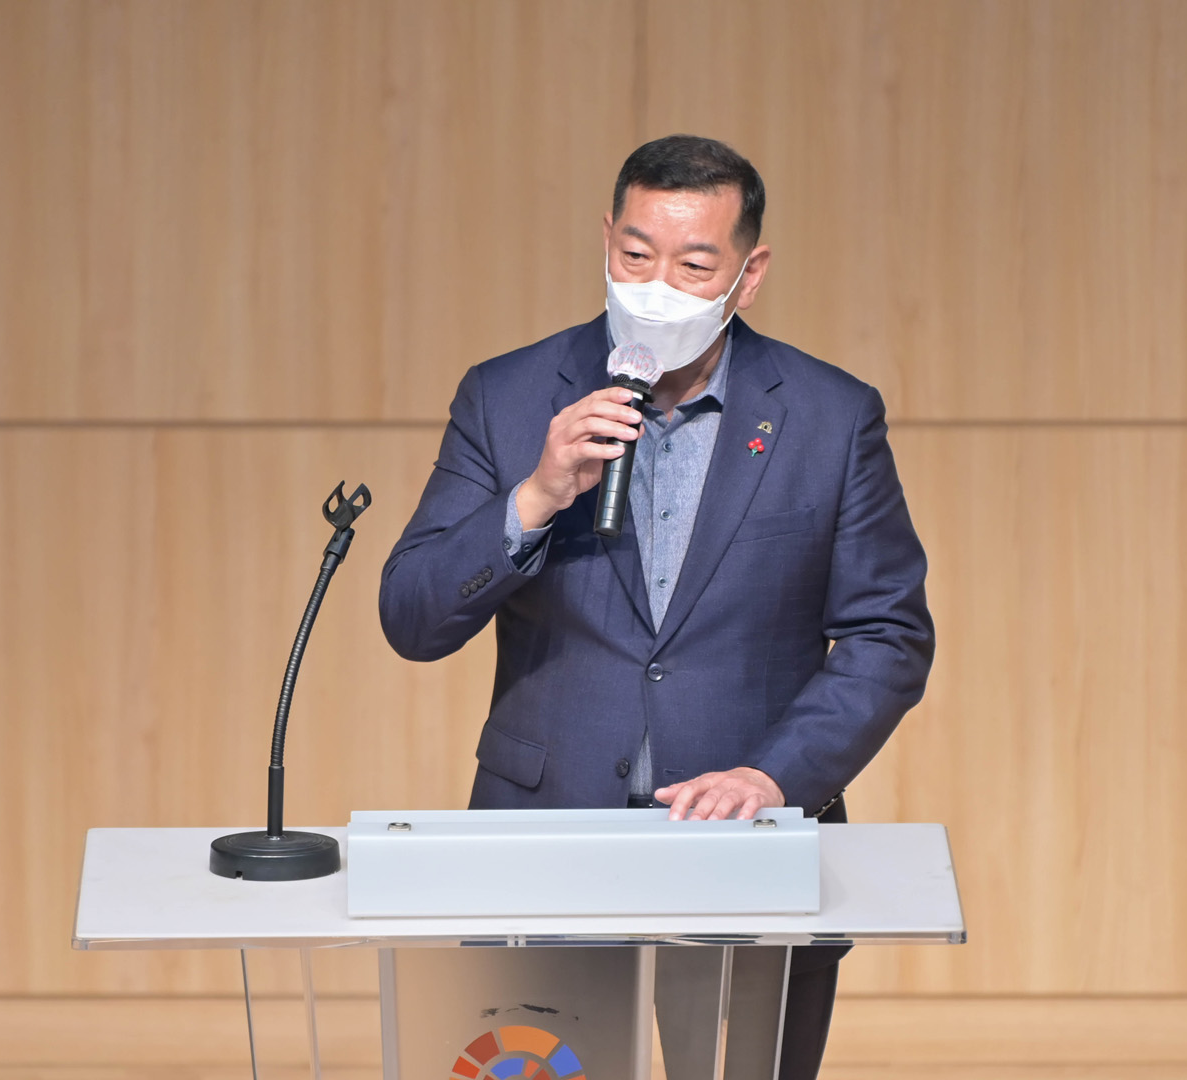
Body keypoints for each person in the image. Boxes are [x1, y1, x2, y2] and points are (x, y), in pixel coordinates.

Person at [380, 134, 934, 1080]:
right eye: (636, 255)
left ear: (748, 275)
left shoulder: (829, 416)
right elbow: (413, 619)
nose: (656, 285)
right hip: (544, 839)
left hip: (743, 847)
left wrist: (773, 776)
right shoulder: (507, 395)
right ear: (606, 240)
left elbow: (887, 636)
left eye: (692, 265)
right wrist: (534, 497)